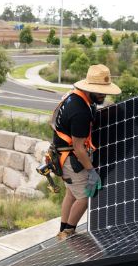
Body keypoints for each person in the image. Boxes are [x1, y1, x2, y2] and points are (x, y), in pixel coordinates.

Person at [51, 64, 121, 240]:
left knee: (71, 193)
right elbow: (78, 147)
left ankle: (62, 229)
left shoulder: (74, 96)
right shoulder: (80, 111)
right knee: (85, 197)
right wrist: (91, 171)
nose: (103, 95)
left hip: (60, 154)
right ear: (89, 89)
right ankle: (68, 232)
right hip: (71, 159)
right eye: (99, 92)